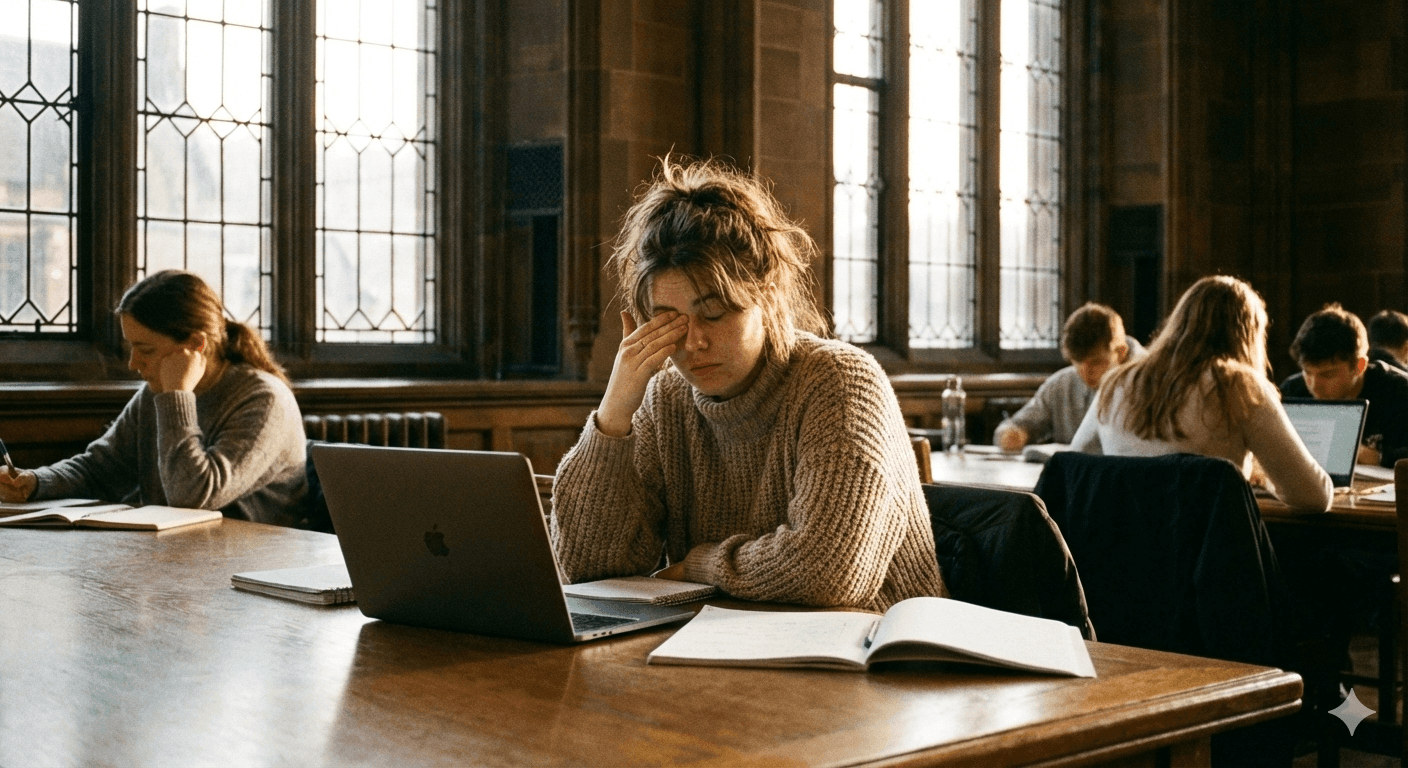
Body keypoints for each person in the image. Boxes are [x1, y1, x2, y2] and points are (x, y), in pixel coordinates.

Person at [550, 158, 946, 612]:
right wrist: (613, 417)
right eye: (668, 320)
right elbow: (590, 567)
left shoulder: (841, 383)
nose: (694, 342)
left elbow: (828, 572)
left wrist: (701, 565)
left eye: (715, 313)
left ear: (769, 295)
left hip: (877, 657)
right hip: (726, 647)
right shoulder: (664, 399)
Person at [0, 270, 308, 526]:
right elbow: (100, 468)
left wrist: (177, 395)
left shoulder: (264, 400)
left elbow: (192, 497)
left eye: (146, 350)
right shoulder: (155, 392)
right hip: (181, 560)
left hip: (254, 573)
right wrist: (35, 482)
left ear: (196, 344)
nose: (133, 363)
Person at [1069, 275, 1332, 511]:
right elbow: (1314, 496)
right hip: (1205, 559)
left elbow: (1075, 467)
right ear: (1248, 336)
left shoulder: (1117, 381)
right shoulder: (1239, 387)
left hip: (1122, 556)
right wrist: (1267, 479)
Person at [993, 303, 1145, 450]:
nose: (1084, 373)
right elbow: (1018, 424)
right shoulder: (1061, 384)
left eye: (1095, 362)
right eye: (1077, 362)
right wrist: (1012, 435)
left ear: (1121, 352)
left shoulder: (1152, 382)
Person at [1279, 304, 1408, 468]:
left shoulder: (1399, 391)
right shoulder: (1292, 392)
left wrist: (1378, 457)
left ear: (1360, 366)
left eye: (1328, 375)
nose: (1314, 386)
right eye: (1307, 372)